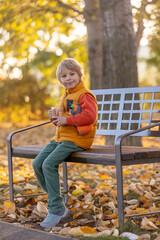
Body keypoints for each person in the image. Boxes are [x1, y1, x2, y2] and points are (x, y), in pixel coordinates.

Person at [32, 58, 97, 229]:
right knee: (37, 163)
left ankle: (55, 210)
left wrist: (66, 120)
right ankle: (58, 203)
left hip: (78, 139)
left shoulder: (85, 95)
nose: (68, 78)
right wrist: (55, 118)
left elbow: (90, 117)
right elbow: (63, 120)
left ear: (80, 75)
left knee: (49, 164)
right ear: (60, 80)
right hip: (61, 138)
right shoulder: (66, 95)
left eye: (72, 74)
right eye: (64, 76)